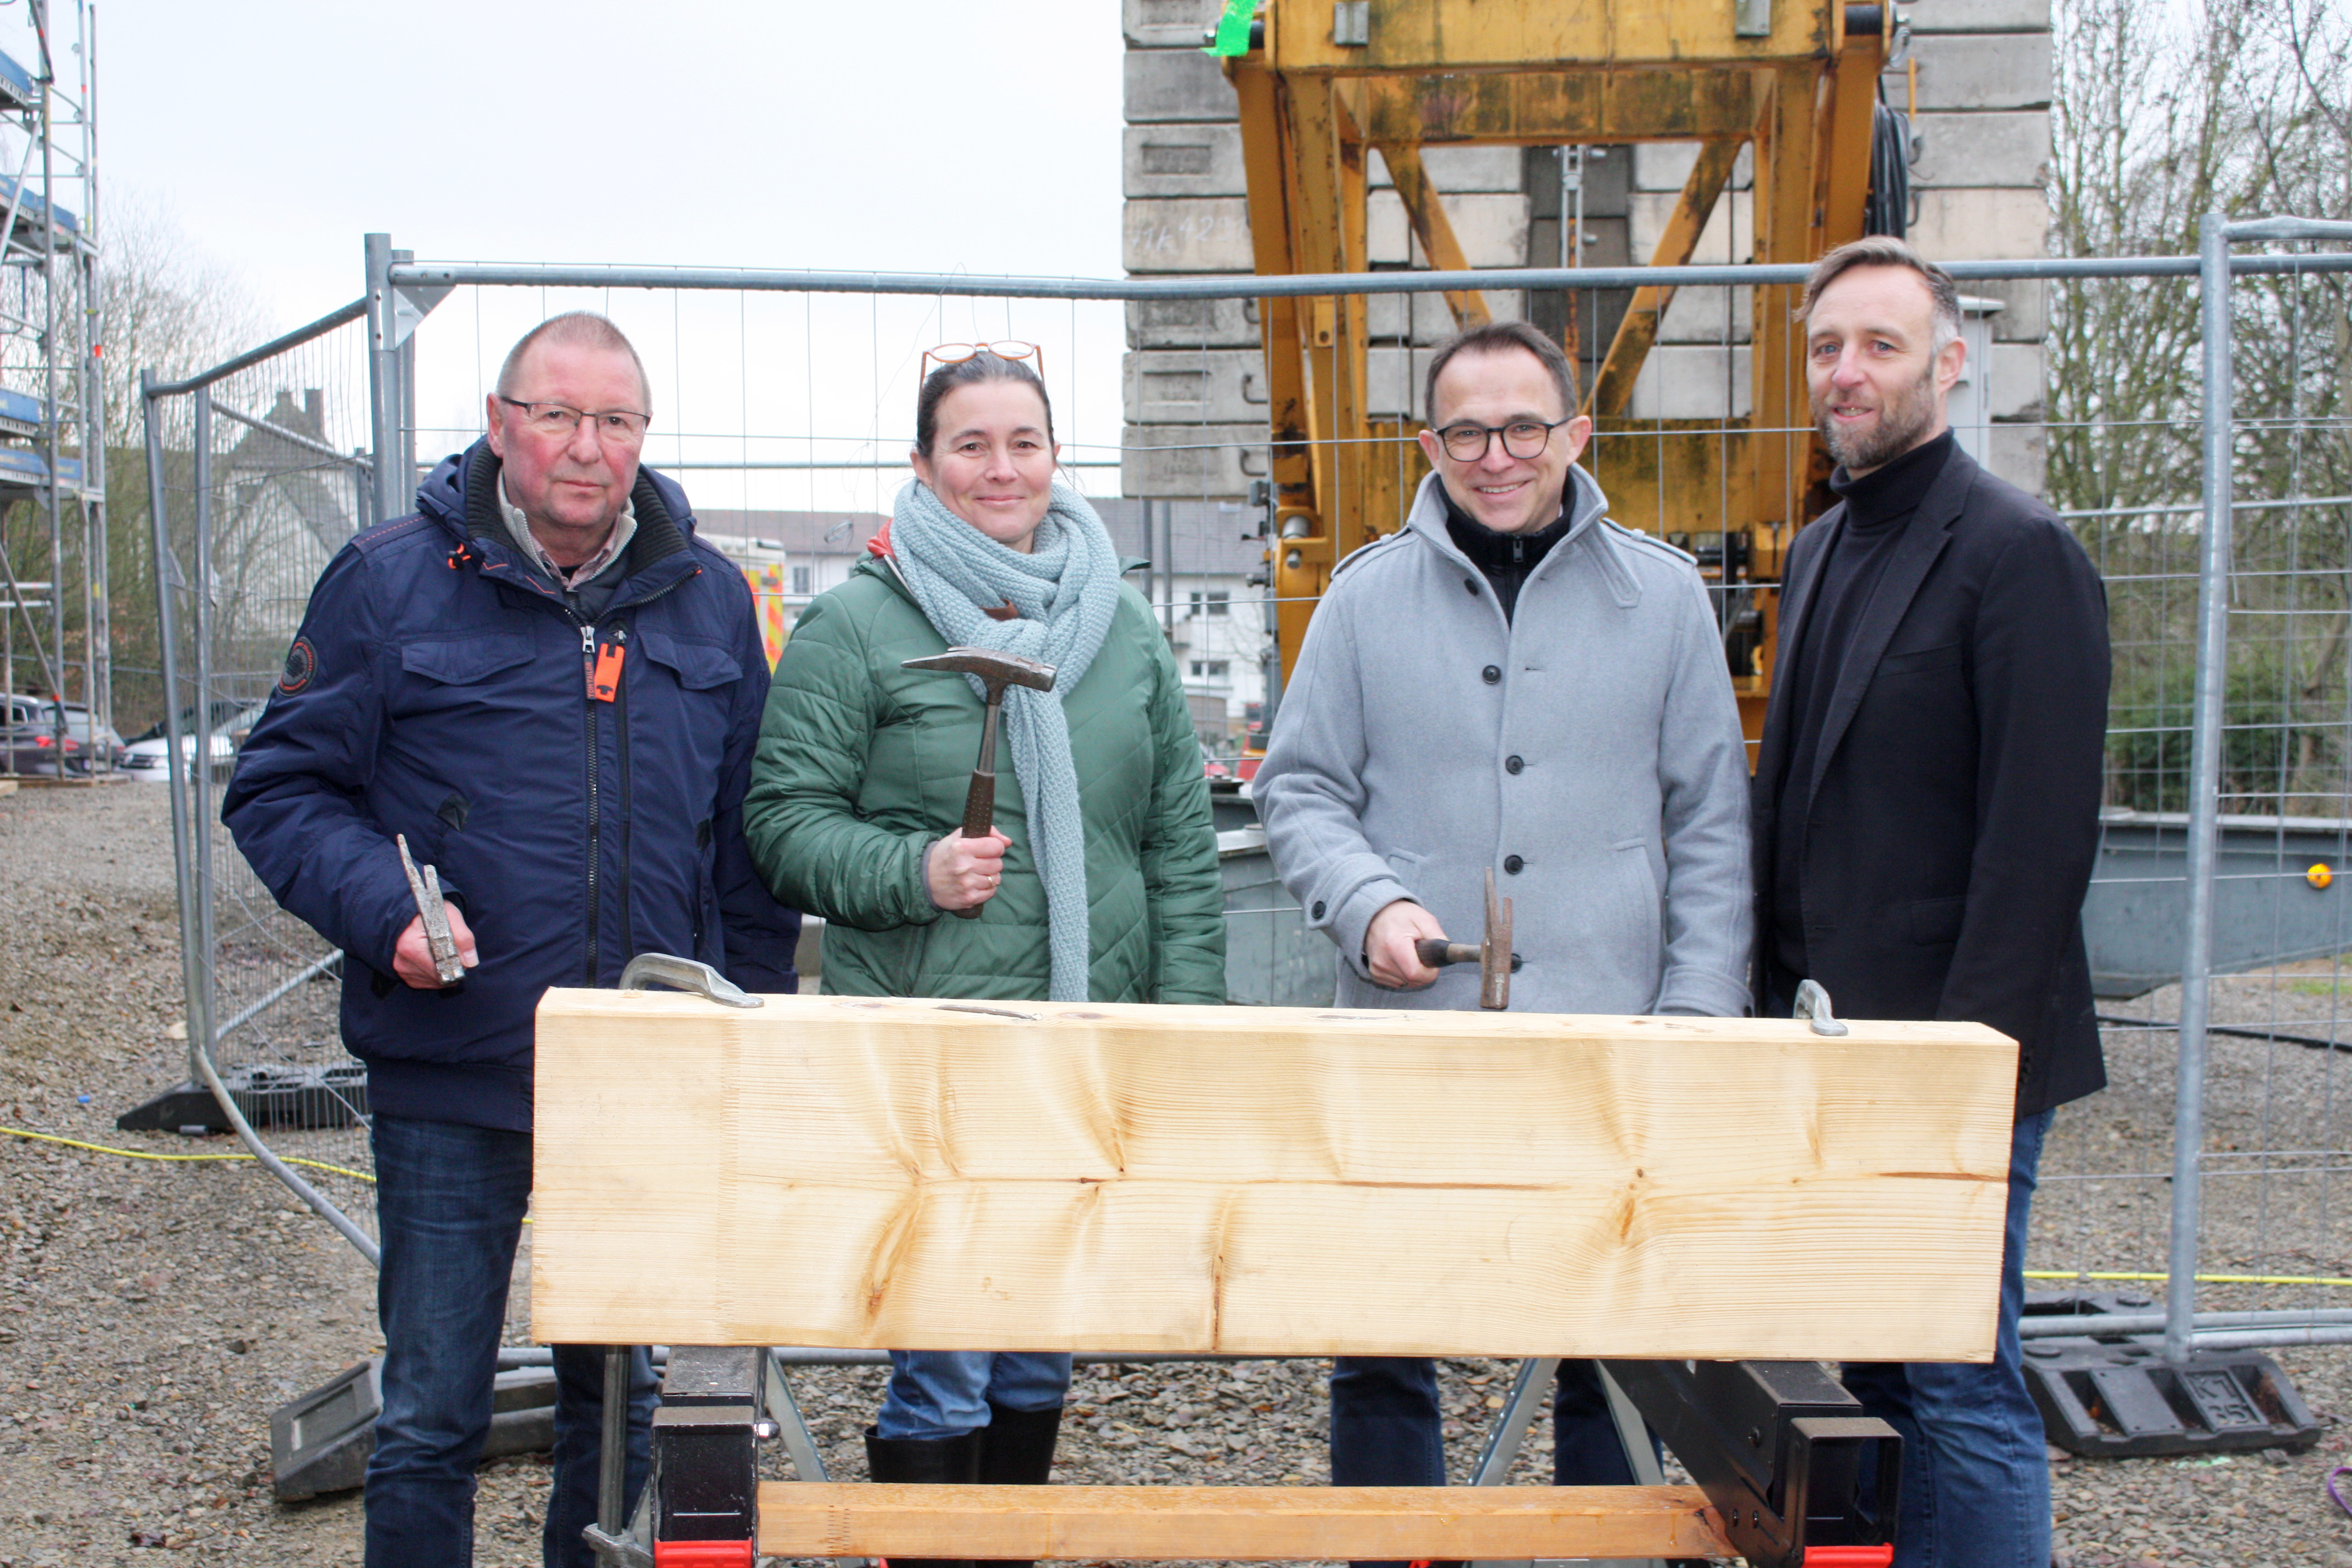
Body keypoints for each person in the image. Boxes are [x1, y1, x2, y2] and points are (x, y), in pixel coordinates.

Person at [222, 312, 800, 1568]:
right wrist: (387, 912)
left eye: (616, 421)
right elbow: (276, 790)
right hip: (456, 1064)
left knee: (622, 1411)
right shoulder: (388, 581)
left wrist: (745, 1026)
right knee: (433, 1405)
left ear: (644, 437)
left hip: (644, 1072)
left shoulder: (707, 605)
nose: (586, 447)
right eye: (556, 415)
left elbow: (744, 842)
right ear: (499, 423)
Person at [1253, 319, 1752, 1537]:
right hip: (1410, 1035)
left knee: (1611, 1347)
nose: (1497, 454)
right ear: (1428, 444)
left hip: (1611, 1032)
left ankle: (1599, 1549)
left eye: (1524, 425)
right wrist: (1372, 903)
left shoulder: (1668, 597)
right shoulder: (1364, 599)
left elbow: (1710, 826)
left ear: (1576, 434)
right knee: (1383, 1336)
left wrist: (1694, 1022)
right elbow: (1299, 785)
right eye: (1468, 430)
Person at [742, 346, 1224, 1565]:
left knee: (1040, 1342)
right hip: (936, 1055)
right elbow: (782, 823)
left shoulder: (1120, 627)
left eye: (1024, 442)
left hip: (1082, 1050)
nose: (1000, 467)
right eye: (971, 444)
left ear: (1058, 457)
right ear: (922, 463)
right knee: (947, 1361)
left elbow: (1177, 847)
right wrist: (911, 868)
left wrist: (1186, 1033)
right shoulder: (857, 625)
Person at [1752, 236, 2109, 1568]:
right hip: (1838, 1047)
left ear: (1951, 364)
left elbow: (2040, 840)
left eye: (1881, 345)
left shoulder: (2020, 554)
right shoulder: (1827, 545)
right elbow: (1799, 805)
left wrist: (1965, 1069)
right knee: (1882, 1382)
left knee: (1962, 1380)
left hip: (1954, 1057)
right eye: (1828, 347)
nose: (1848, 371)